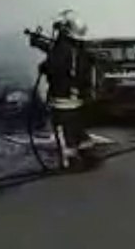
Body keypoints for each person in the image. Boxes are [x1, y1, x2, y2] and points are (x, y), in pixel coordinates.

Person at [27, 11, 100, 170]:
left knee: (62, 132)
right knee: (77, 129)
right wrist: (38, 43)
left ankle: (69, 161)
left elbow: (54, 66)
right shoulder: (80, 49)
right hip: (77, 100)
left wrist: (44, 67)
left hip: (61, 101)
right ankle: (89, 155)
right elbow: (55, 51)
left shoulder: (62, 50)